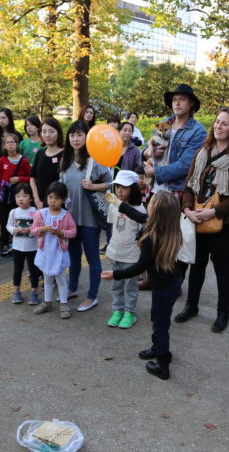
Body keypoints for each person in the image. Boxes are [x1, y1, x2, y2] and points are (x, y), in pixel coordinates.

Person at [177, 108, 229, 333]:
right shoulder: (203, 151)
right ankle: (191, 305)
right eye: (217, 122)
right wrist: (188, 209)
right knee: (196, 266)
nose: (218, 126)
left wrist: (215, 212)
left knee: (223, 270)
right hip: (198, 216)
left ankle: (223, 313)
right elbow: (189, 183)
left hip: (226, 223)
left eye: (224, 124)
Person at [103, 192, 185, 380]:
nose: (148, 203)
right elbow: (135, 214)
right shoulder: (166, 226)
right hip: (169, 283)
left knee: (160, 324)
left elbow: (138, 268)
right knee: (158, 318)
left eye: (151, 203)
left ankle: (163, 363)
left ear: (156, 211)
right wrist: (117, 202)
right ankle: (157, 348)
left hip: (165, 287)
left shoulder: (152, 238)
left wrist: (114, 274)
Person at [59, 120, 112, 311]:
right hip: (70, 220)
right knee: (73, 258)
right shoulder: (65, 161)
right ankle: (72, 288)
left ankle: (92, 296)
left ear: (87, 137)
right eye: (72, 135)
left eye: (79, 135)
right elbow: (61, 186)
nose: (75, 139)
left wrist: (93, 186)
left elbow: (111, 183)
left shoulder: (94, 160)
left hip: (89, 220)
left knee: (92, 259)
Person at [145, 84, 207, 198]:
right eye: (174, 100)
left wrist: (156, 172)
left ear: (191, 103)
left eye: (182, 99)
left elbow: (185, 165)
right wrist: (150, 152)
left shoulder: (198, 131)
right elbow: (146, 149)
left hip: (176, 192)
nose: (177, 103)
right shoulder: (164, 122)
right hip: (154, 189)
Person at [104, 170, 146, 329]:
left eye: (124, 187)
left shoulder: (140, 211)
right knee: (116, 285)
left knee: (130, 286)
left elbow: (142, 236)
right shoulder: (113, 206)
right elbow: (111, 229)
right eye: (117, 187)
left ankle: (129, 313)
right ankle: (117, 310)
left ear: (133, 189)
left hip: (131, 257)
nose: (119, 191)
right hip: (114, 254)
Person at [32, 181, 77, 317]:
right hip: (45, 252)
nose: (53, 201)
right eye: (50, 197)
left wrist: (61, 233)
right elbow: (33, 230)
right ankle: (47, 302)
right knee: (47, 278)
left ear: (63, 200)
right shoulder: (41, 214)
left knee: (61, 278)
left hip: (58, 252)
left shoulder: (66, 215)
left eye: (57, 198)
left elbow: (73, 231)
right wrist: (41, 229)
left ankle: (64, 304)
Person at [0, 133, 31, 255]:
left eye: (12, 142)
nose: (10, 144)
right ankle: (4, 242)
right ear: (4, 146)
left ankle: (19, 242)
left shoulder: (24, 160)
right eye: (7, 142)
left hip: (19, 193)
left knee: (19, 217)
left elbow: (30, 178)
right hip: (5, 194)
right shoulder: (2, 160)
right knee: (5, 218)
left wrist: (19, 179)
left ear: (17, 144)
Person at [6, 182, 41, 305]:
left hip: (32, 247)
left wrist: (30, 231)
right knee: (17, 269)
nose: (21, 199)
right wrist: (13, 230)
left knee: (33, 270)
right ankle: (16, 291)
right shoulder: (14, 212)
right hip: (17, 247)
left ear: (31, 198)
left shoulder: (35, 211)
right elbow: (8, 225)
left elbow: (39, 228)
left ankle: (34, 292)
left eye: (24, 196)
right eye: (18, 196)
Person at [31, 116, 64, 210]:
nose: (47, 135)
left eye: (51, 131)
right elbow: (32, 178)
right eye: (44, 131)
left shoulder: (65, 154)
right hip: (40, 204)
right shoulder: (40, 152)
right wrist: (37, 200)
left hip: (59, 205)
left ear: (58, 133)